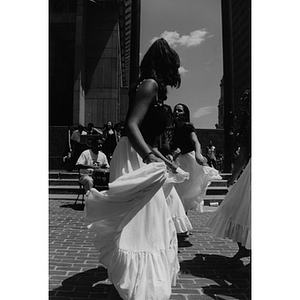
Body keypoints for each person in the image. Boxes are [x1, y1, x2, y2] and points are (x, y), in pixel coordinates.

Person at [83, 38, 183, 300]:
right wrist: (150, 157)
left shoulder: (154, 89)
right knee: (140, 218)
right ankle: (138, 281)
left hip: (143, 153)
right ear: (165, 63)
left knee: (151, 218)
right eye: (174, 65)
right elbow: (132, 126)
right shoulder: (149, 84)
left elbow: (148, 136)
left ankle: (142, 277)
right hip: (132, 155)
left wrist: (164, 159)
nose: (176, 73)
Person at [206, 89, 251, 271]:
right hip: (250, 170)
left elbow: (244, 155)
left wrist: (232, 177)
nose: (242, 103)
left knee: (244, 212)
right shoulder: (247, 122)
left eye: (246, 100)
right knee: (238, 211)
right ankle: (244, 249)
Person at [172, 103, 222, 213]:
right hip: (180, 160)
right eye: (175, 110)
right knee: (179, 189)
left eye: (179, 110)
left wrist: (198, 154)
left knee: (189, 188)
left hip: (190, 159)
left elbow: (196, 142)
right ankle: (181, 217)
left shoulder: (188, 127)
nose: (176, 112)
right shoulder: (175, 129)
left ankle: (183, 216)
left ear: (185, 114)